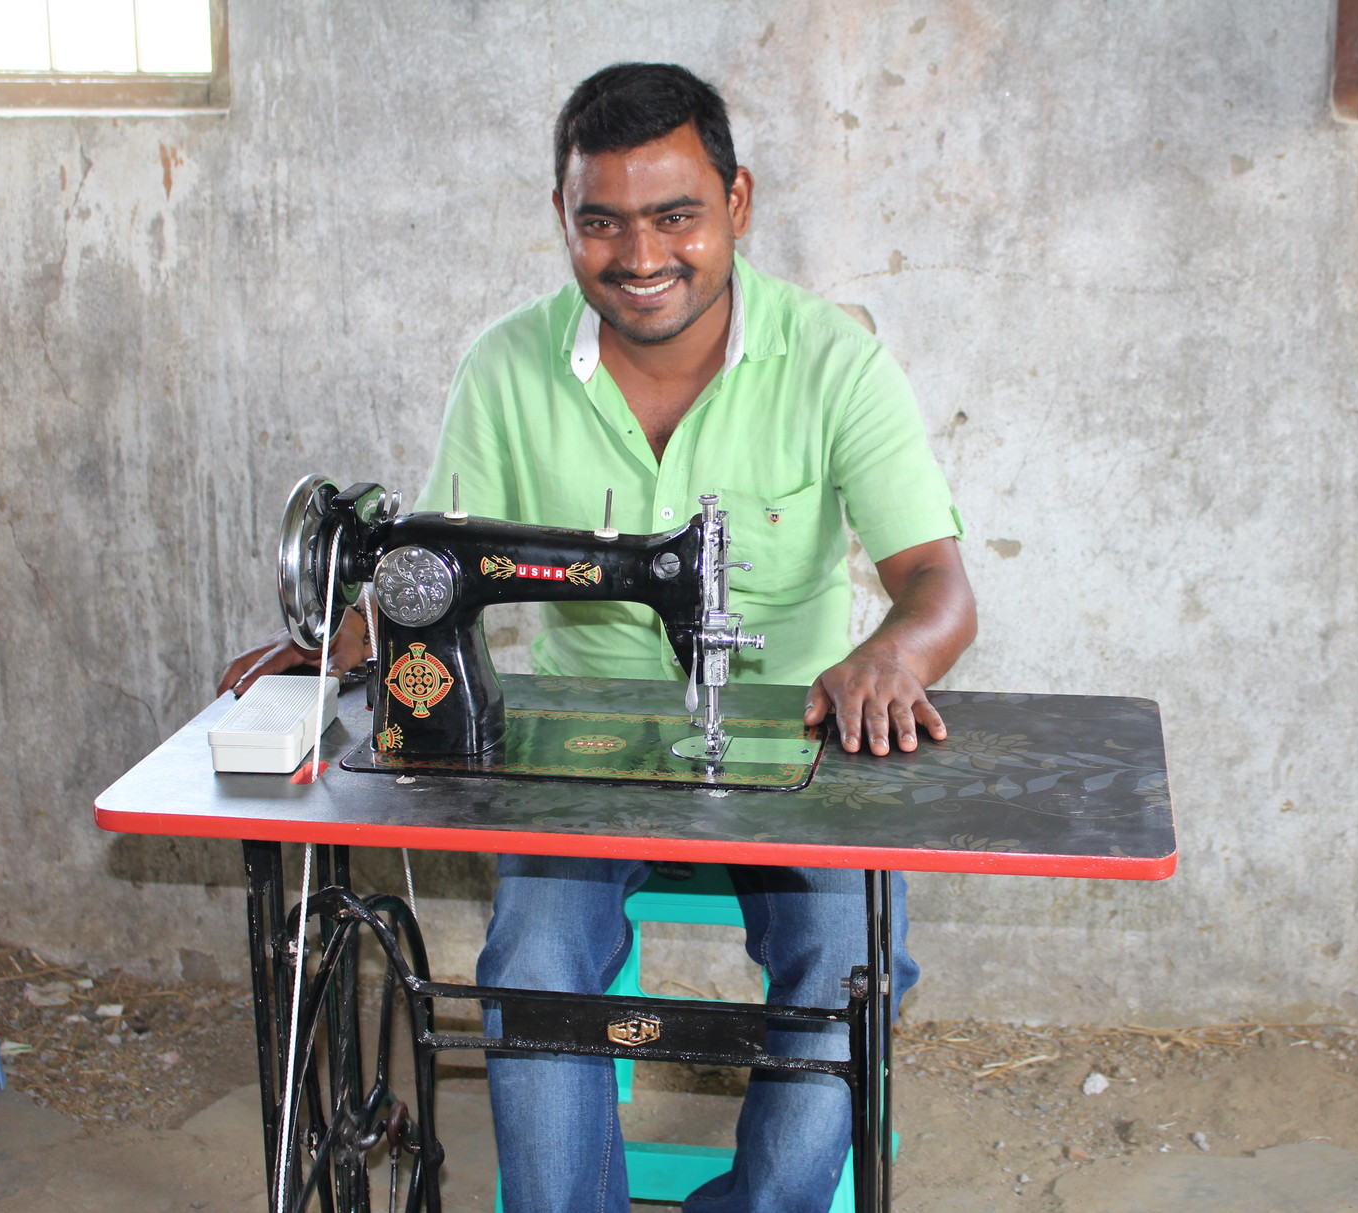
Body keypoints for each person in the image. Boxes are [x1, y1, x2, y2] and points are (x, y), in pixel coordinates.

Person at [219, 62, 976, 1213]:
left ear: (738, 204)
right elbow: (437, 562)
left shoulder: (832, 362)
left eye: (675, 215)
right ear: (562, 221)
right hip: (573, 752)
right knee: (530, 961)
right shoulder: (505, 369)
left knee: (848, 966)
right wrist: (342, 637)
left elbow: (938, 584)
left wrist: (892, 653)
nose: (639, 256)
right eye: (601, 222)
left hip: (789, 736)